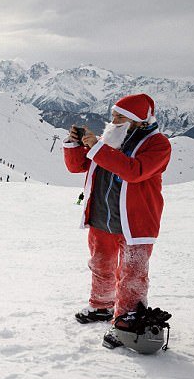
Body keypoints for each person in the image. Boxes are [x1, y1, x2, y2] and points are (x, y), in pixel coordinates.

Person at [63, 94, 172, 349]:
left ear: (137, 120)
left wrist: (97, 148)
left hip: (135, 221)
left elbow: (134, 171)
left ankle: (126, 322)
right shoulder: (110, 139)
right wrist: (75, 144)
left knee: (132, 275)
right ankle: (101, 304)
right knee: (101, 263)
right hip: (103, 215)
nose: (114, 121)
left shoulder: (158, 145)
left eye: (120, 117)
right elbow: (78, 166)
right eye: (113, 116)